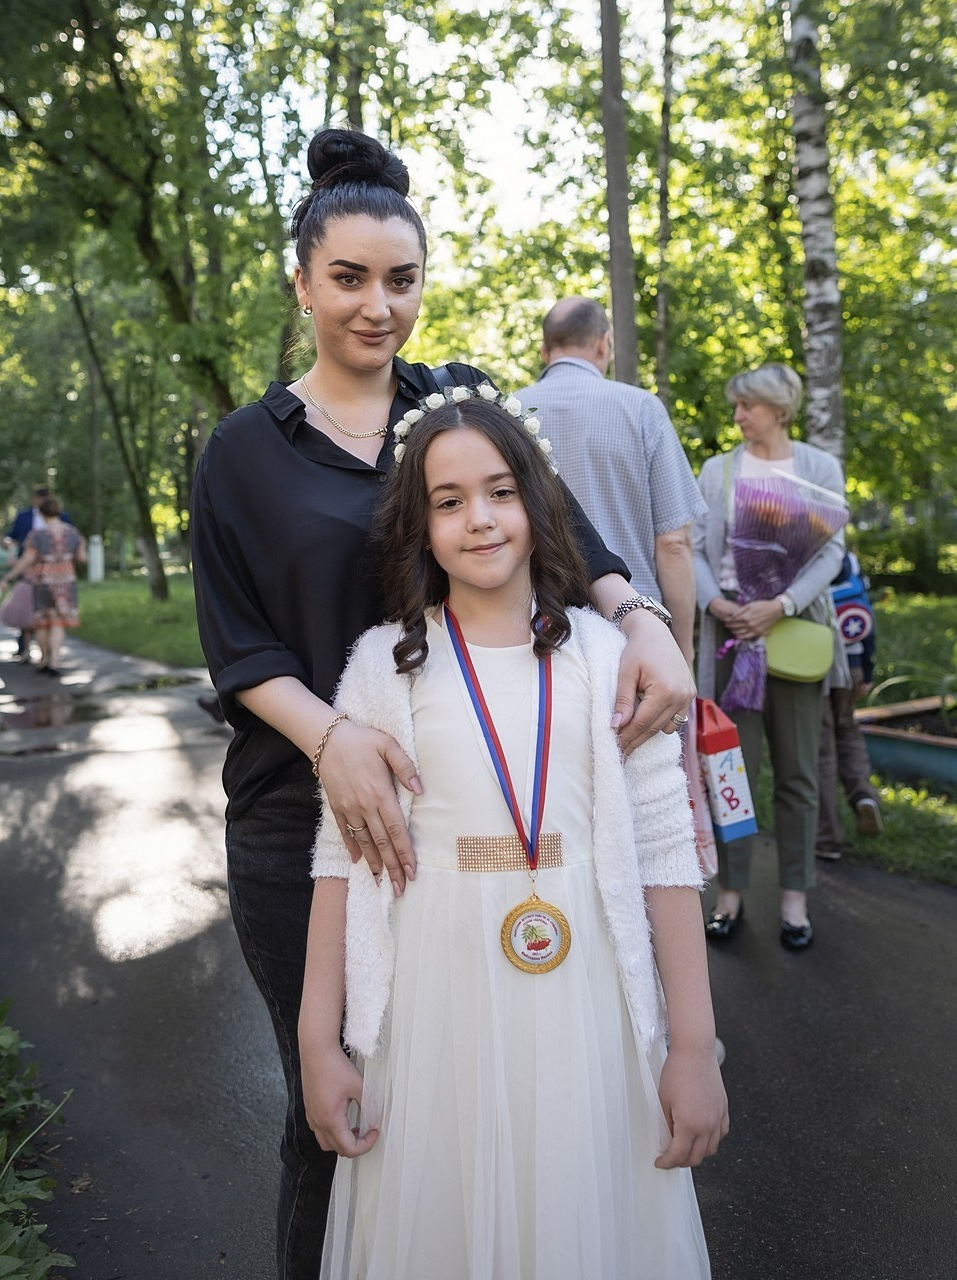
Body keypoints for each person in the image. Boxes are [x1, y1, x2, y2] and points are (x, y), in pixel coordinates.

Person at [189, 127, 696, 1280]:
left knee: (477, 1102)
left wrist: (647, 622)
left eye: (402, 280)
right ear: (301, 278)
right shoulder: (241, 453)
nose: (379, 307)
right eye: (350, 278)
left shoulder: (456, 405)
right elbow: (240, 647)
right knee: (343, 1109)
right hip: (307, 827)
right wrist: (333, 739)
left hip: (479, 814)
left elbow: (567, 537)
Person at [299, 391, 726, 1280]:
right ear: (419, 526)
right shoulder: (382, 666)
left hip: (586, 1012)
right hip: (430, 1014)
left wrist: (692, 1048)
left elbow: (663, 855)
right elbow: (339, 861)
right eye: (448, 502)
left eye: (499, 492)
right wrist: (317, 1042)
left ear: (538, 499)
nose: (479, 519)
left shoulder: (611, 662)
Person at [519, 296, 716, 878]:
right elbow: (675, 545)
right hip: (638, 645)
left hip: (543, 640)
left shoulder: (509, 414)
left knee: (560, 809)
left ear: (543, 348)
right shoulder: (641, 409)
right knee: (648, 822)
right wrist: (681, 649)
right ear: (603, 343)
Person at [693, 365, 848, 951]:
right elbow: (696, 545)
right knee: (730, 771)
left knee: (799, 773)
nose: (737, 417)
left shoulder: (818, 468)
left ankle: (794, 900)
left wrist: (781, 604)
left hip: (793, 638)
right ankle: (730, 895)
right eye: (736, 407)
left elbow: (831, 551)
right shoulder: (717, 471)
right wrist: (717, 603)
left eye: (747, 407)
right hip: (733, 637)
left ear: (779, 409)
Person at [816, 549, 884, 859]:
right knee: (847, 729)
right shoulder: (847, 558)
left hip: (813, 661)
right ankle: (863, 796)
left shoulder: (805, 553)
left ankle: (827, 837)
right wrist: (866, 671)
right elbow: (864, 610)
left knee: (822, 745)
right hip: (852, 660)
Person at [0, 495, 86, 676]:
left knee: (42, 623)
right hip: (66, 582)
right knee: (58, 623)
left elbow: (26, 560)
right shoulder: (73, 533)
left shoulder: (37, 535)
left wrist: (9, 576)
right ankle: (55, 662)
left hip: (43, 582)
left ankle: (44, 660)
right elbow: (82, 558)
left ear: (41, 513)